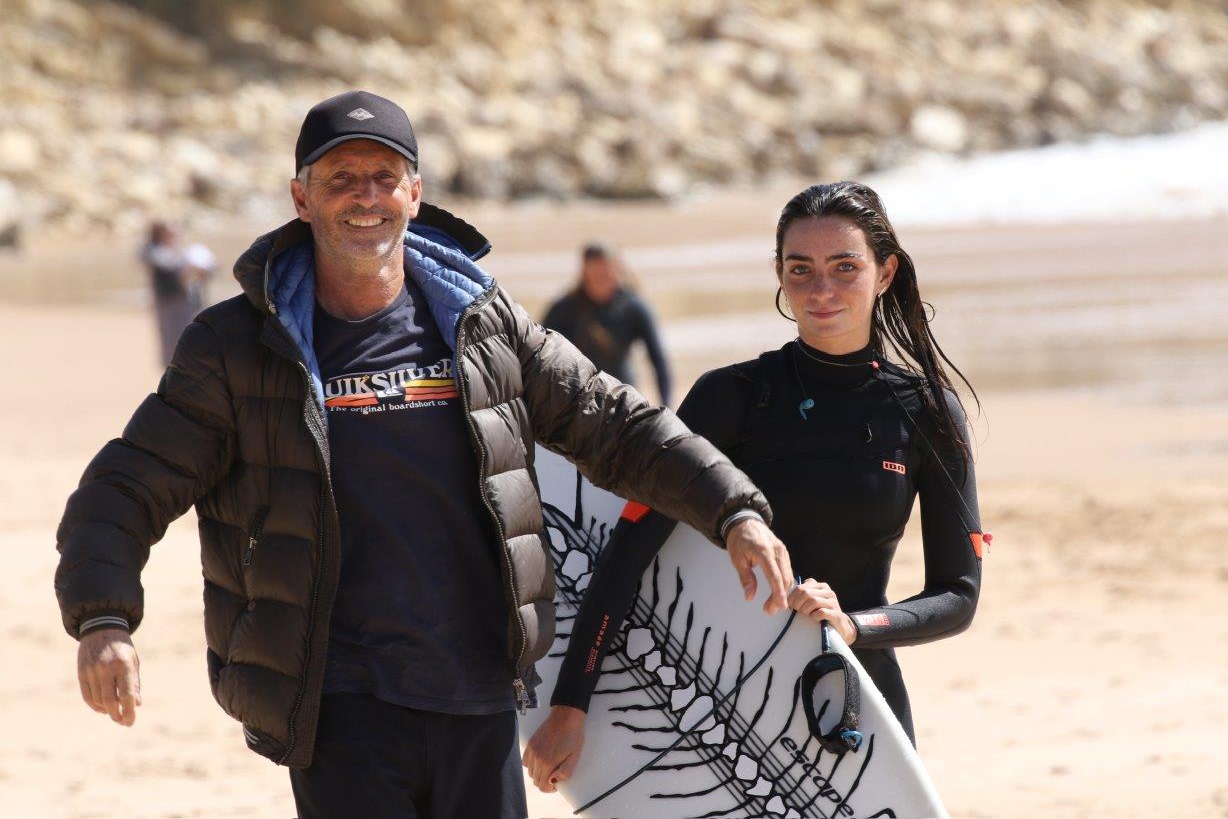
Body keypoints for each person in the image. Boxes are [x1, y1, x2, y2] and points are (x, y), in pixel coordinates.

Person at [54, 90, 794, 819]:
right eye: (340, 178)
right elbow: (126, 486)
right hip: (335, 699)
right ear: (301, 198)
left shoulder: (482, 323)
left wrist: (733, 509)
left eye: (383, 176)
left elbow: (615, 424)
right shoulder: (239, 347)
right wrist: (103, 618)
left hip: (477, 686)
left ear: (415, 190)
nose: (365, 197)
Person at [524, 180, 987, 793]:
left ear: (885, 273)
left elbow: (957, 595)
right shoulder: (731, 398)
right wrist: (570, 705)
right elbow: (627, 551)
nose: (821, 289)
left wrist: (853, 625)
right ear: (779, 274)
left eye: (845, 267)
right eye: (801, 269)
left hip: (854, 702)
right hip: (714, 704)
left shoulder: (926, 411)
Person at [542, 242, 673, 405]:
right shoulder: (564, 309)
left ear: (618, 270)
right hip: (577, 398)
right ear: (584, 272)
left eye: (606, 272)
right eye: (595, 273)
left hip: (624, 396)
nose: (601, 279)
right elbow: (542, 358)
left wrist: (667, 406)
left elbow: (659, 361)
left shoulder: (633, 308)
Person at [139, 220, 216, 364]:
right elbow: (172, 270)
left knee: (194, 339)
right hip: (169, 302)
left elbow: (204, 273)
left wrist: (201, 270)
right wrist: (190, 270)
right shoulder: (153, 251)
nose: (175, 237)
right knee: (173, 343)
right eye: (170, 233)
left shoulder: (185, 252)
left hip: (189, 303)